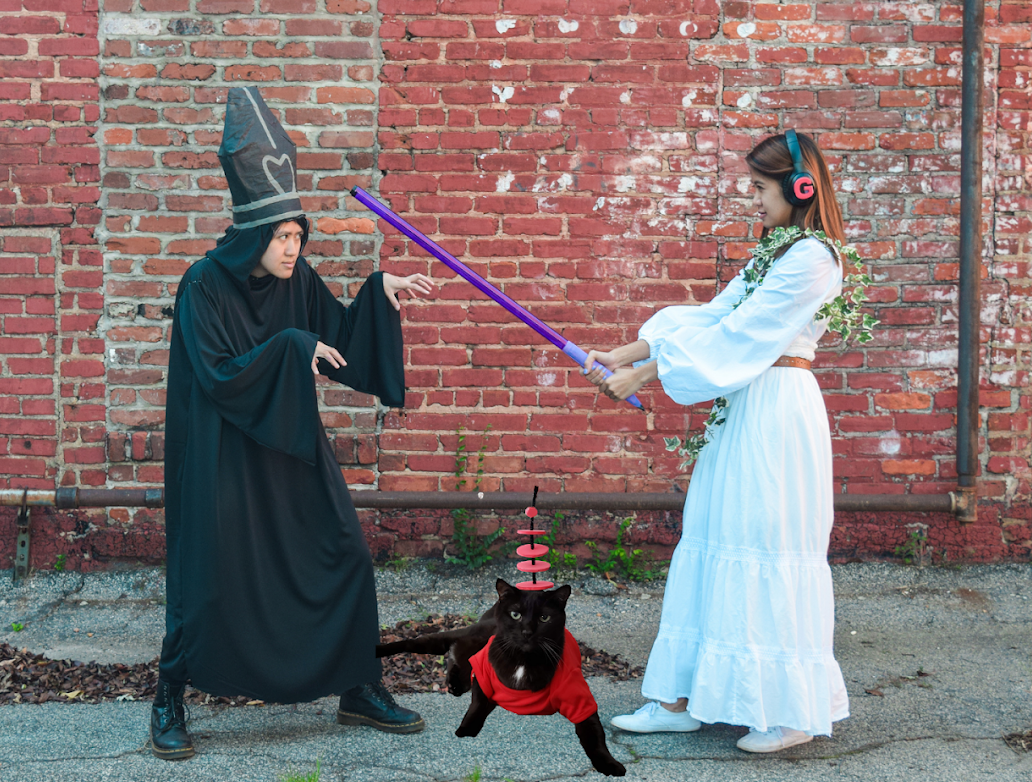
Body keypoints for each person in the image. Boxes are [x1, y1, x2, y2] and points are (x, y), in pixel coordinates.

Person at [151, 86, 434, 760]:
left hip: (290, 451)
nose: (290, 248)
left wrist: (378, 294)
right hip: (225, 461)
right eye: (280, 237)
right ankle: (169, 697)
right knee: (207, 578)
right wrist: (288, 348)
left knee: (345, 552)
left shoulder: (295, 278)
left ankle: (358, 686)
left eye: (296, 235)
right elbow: (219, 373)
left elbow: (334, 338)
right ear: (253, 234)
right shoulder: (202, 286)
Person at [583, 130, 850, 753]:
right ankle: (679, 699)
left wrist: (644, 374)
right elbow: (713, 315)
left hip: (778, 409)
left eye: (760, 187)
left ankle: (786, 712)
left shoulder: (814, 258)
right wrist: (621, 353)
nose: (753, 198)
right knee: (713, 535)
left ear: (799, 187)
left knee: (766, 540)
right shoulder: (775, 253)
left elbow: (747, 335)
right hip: (746, 408)